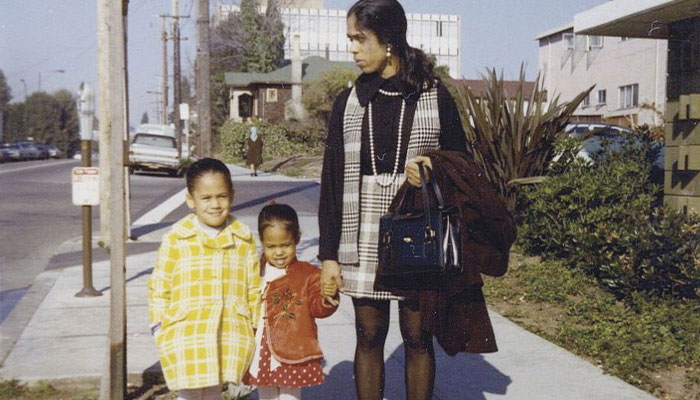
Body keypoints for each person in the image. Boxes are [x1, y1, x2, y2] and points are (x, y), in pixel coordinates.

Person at [318, 1, 468, 399]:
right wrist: (328, 255)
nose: (352, 48)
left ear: (387, 41)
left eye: (359, 39)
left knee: (418, 338)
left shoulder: (435, 95)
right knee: (368, 335)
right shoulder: (348, 101)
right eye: (350, 38)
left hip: (416, 228)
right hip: (361, 227)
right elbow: (331, 180)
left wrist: (431, 169)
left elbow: (464, 163)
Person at [148, 158, 261, 400]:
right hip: (186, 332)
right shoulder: (177, 238)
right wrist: (158, 326)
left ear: (232, 195)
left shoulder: (243, 238)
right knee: (188, 393)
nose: (215, 205)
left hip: (228, 330)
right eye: (206, 198)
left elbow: (253, 287)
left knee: (213, 392)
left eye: (221, 196)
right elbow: (160, 284)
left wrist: (253, 324)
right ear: (191, 200)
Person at [244, 203, 339, 400]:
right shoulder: (255, 271)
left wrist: (328, 297)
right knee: (266, 396)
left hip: (293, 351)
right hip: (260, 349)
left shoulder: (308, 274)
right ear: (262, 242)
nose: (278, 252)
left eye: (285, 245)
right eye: (271, 247)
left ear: (297, 239)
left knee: (290, 397)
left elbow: (317, 307)